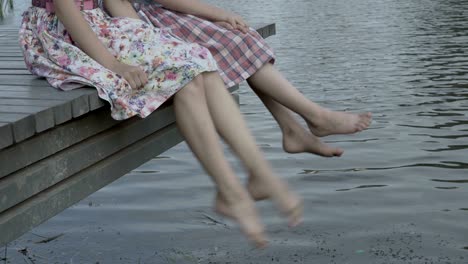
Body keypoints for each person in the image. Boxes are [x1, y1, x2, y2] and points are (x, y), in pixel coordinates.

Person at [19, 0, 303, 248]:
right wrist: (115, 65)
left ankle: (259, 173)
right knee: (185, 76)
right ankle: (230, 191)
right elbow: (67, 9)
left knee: (197, 59)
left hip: (98, 24)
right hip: (61, 33)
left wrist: (148, 39)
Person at [126, 0, 372, 158]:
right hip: (142, 23)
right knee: (238, 42)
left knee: (241, 38)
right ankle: (315, 118)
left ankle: (293, 128)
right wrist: (217, 13)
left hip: (156, 16)